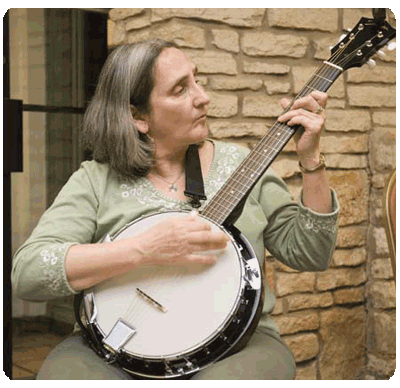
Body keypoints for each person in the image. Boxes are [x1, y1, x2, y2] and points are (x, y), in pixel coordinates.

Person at [12, 39, 339, 380]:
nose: (202, 97)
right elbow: (29, 273)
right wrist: (143, 250)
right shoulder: (96, 180)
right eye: (180, 89)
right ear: (138, 117)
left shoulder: (243, 166)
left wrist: (311, 161)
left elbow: (312, 254)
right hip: (115, 348)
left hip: (237, 346)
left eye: (196, 80)